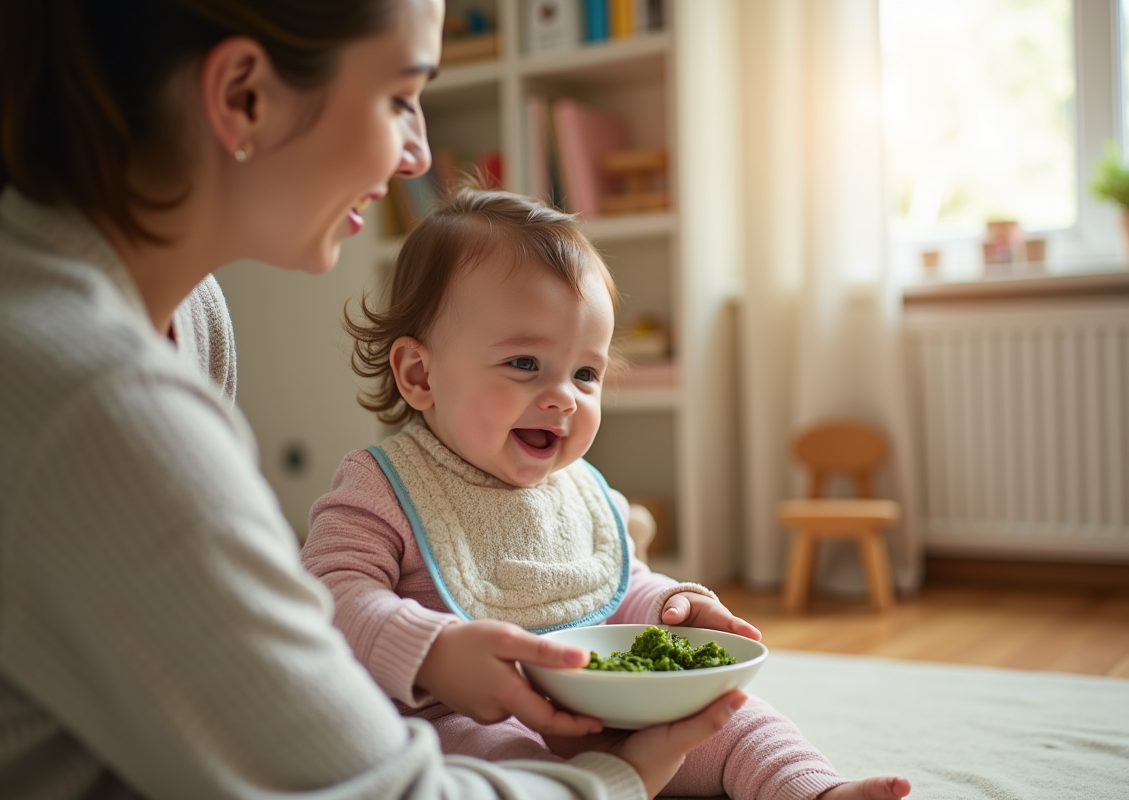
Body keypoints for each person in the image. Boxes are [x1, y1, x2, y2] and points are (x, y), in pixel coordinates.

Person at [0, 1, 746, 798]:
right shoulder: (95, 398)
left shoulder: (194, 313)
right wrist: (614, 778)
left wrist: (667, 608)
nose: (417, 152)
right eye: (400, 97)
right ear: (244, 96)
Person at [301, 187, 913, 800]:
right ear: (419, 374)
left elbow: (616, 585)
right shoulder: (382, 486)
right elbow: (330, 598)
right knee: (507, 765)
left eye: (585, 373)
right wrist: (431, 652)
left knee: (734, 717)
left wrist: (667, 610)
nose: (564, 396)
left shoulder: (584, 493)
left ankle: (814, 791)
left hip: (601, 707)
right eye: (524, 363)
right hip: (456, 719)